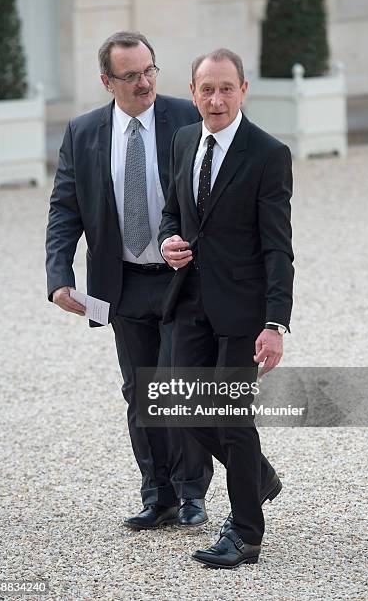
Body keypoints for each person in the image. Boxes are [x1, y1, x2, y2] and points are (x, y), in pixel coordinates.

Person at [45, 31, 214, 530]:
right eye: (132, 76)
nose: (145, 83)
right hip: (121, 283)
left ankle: (191, 494)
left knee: (177, 384)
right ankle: (156, 493)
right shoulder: (83, 133)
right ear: (106, 81)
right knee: (139, 391)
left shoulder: (188, 116)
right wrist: (59, 278)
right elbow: (64, 209)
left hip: (184, 277)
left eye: (150, 71)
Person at [159, 48, 293, 568]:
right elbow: (175, 210)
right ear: (192, 92)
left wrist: (275, 322)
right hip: (189, 300)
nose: (216, 99)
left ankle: (246, 535)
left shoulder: (267, 153)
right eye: (206, 89)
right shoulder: (183, 139)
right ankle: (258, 477)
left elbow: (278, 246)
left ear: (244, 90)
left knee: (233, 419)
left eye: (226, 88)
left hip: (243, 308)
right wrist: (170, 239)